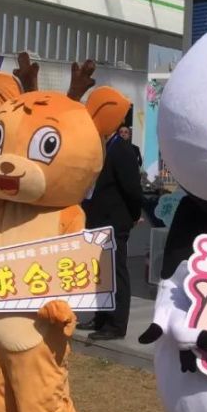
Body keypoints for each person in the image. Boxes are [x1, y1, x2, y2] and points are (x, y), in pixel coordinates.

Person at [78, 129, 143, 340]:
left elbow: (132, 188)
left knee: (115, 271)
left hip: (114, 220)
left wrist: (134, 214)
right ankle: (100, 317)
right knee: (99, 272)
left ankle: (116, 323)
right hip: (96, 219)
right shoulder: (101, 147)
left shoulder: (121, 149)